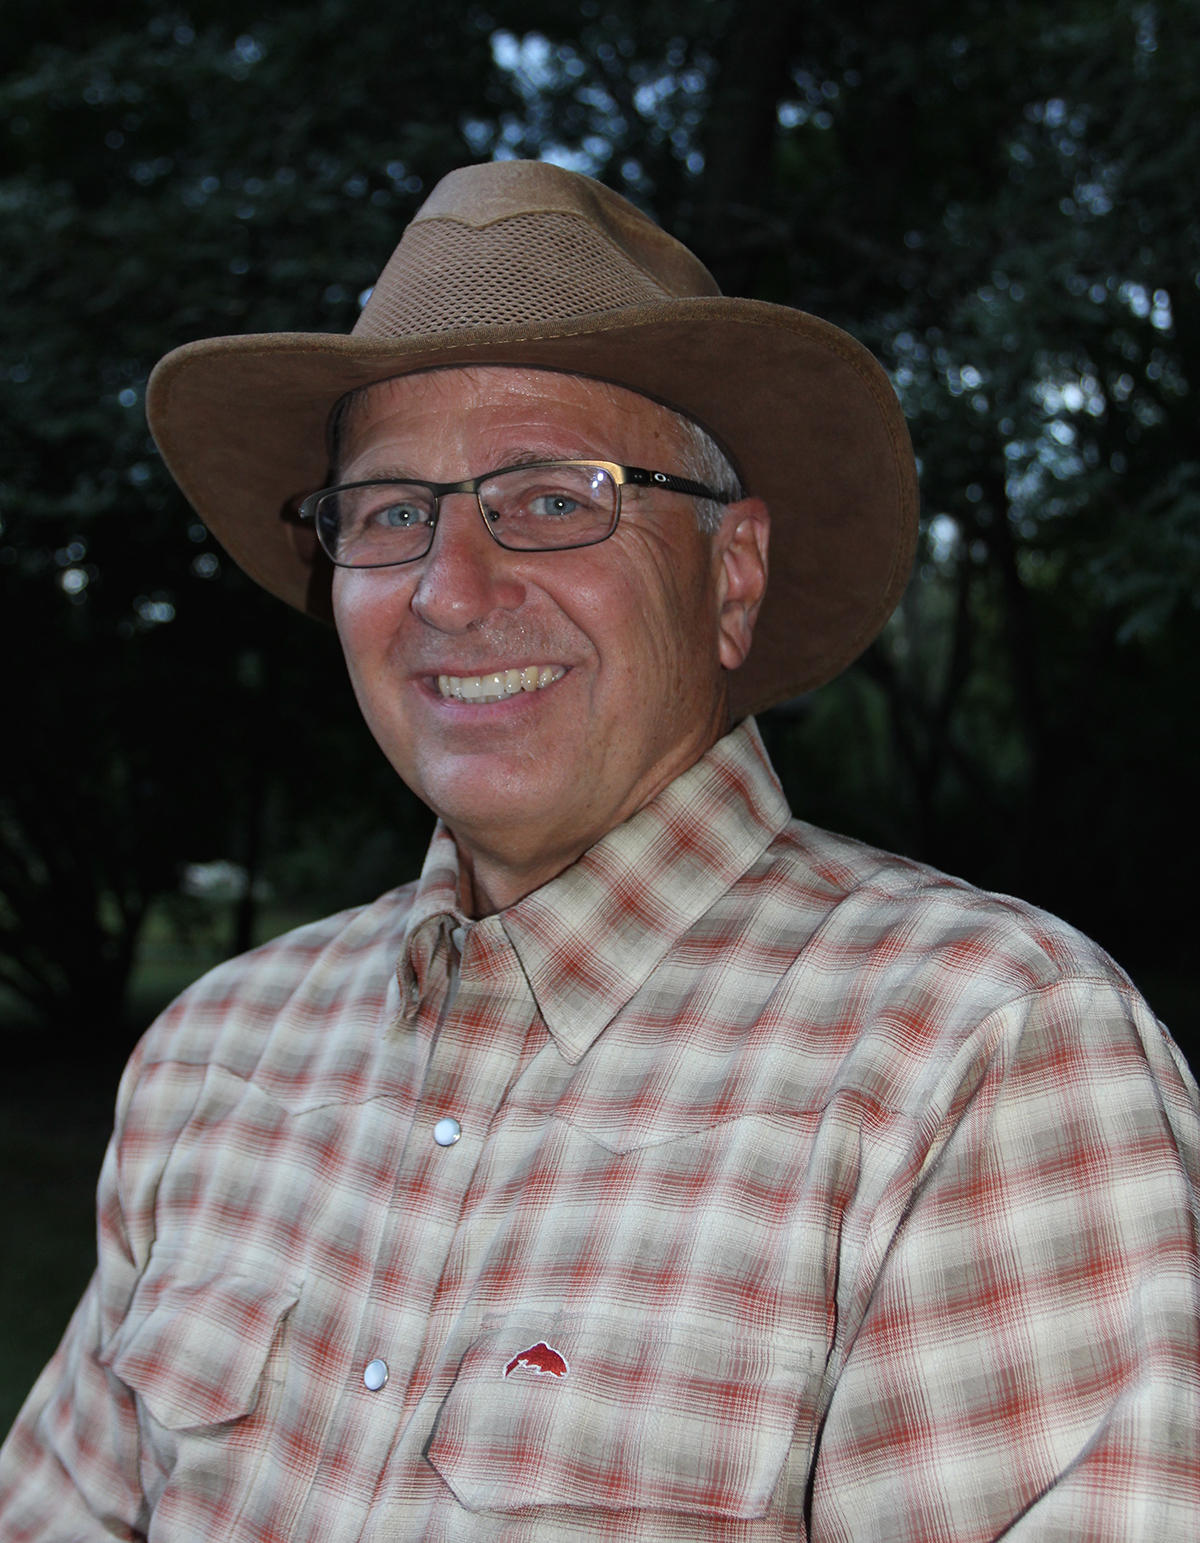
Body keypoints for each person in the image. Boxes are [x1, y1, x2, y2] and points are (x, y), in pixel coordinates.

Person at [1, 160, 1196, 1543]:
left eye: (556, 499)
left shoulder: (982, 1060)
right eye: (391, 512)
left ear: (730, 576)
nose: (451, 590)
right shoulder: (214, 1059)